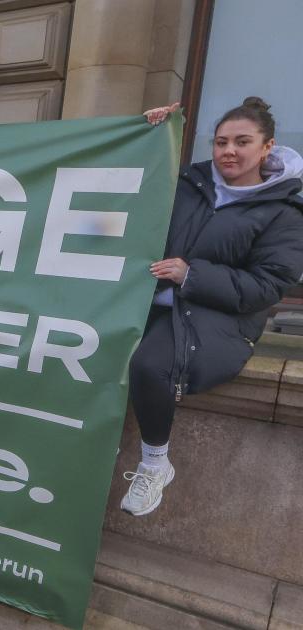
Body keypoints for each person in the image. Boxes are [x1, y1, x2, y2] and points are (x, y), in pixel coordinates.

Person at [123, 97, 303, 516]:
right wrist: (150, 135)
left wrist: (192, 276)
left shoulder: (285, 212)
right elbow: (134, 187)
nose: (229, 151)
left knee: (151, 365)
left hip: (218, 317)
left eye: (243, 141)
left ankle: (154, 463)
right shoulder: (188, 182)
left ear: (267, 147)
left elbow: (269, 284)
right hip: (151, 300)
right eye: (221, 142)